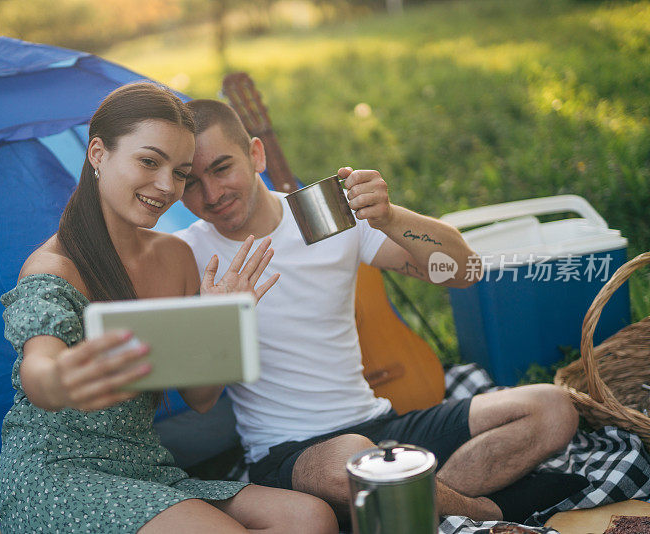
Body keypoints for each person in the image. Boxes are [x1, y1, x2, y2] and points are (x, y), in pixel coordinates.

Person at [174, 99, 582, 523]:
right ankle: (483, 509)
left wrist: (389, 216)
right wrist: (223, 320)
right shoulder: (187, 253)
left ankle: (412, 500)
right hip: (293, 453)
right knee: (349, 465)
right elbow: (199, 399)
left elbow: (463, 272)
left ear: (256, 154)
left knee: (553, 408)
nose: (212, 194)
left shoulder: (322, 216)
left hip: (381, 425)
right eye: (190, 183)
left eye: (222, 168)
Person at [0, 83, 339, 534]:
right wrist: (60, 378)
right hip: (58, 474)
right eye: (148, 161)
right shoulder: (52, 268)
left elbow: (200, 400)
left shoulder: (175, 256)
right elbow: (40, 370)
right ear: (97, 154)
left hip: (143, 467)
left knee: (311, 517)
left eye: (179, 173)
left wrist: (221, 323)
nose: (166, 186)